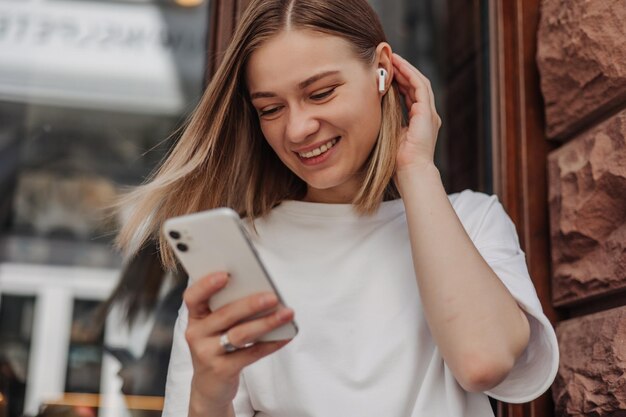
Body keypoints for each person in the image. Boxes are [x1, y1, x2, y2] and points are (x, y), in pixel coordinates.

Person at [115, 0, 559, 416]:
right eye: (270, 109)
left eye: (321, 93)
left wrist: (416, 168)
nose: (298, 128)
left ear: (382, 70)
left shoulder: (470, 220)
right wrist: (211, 392)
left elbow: (484, 361)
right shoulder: (244, 255)